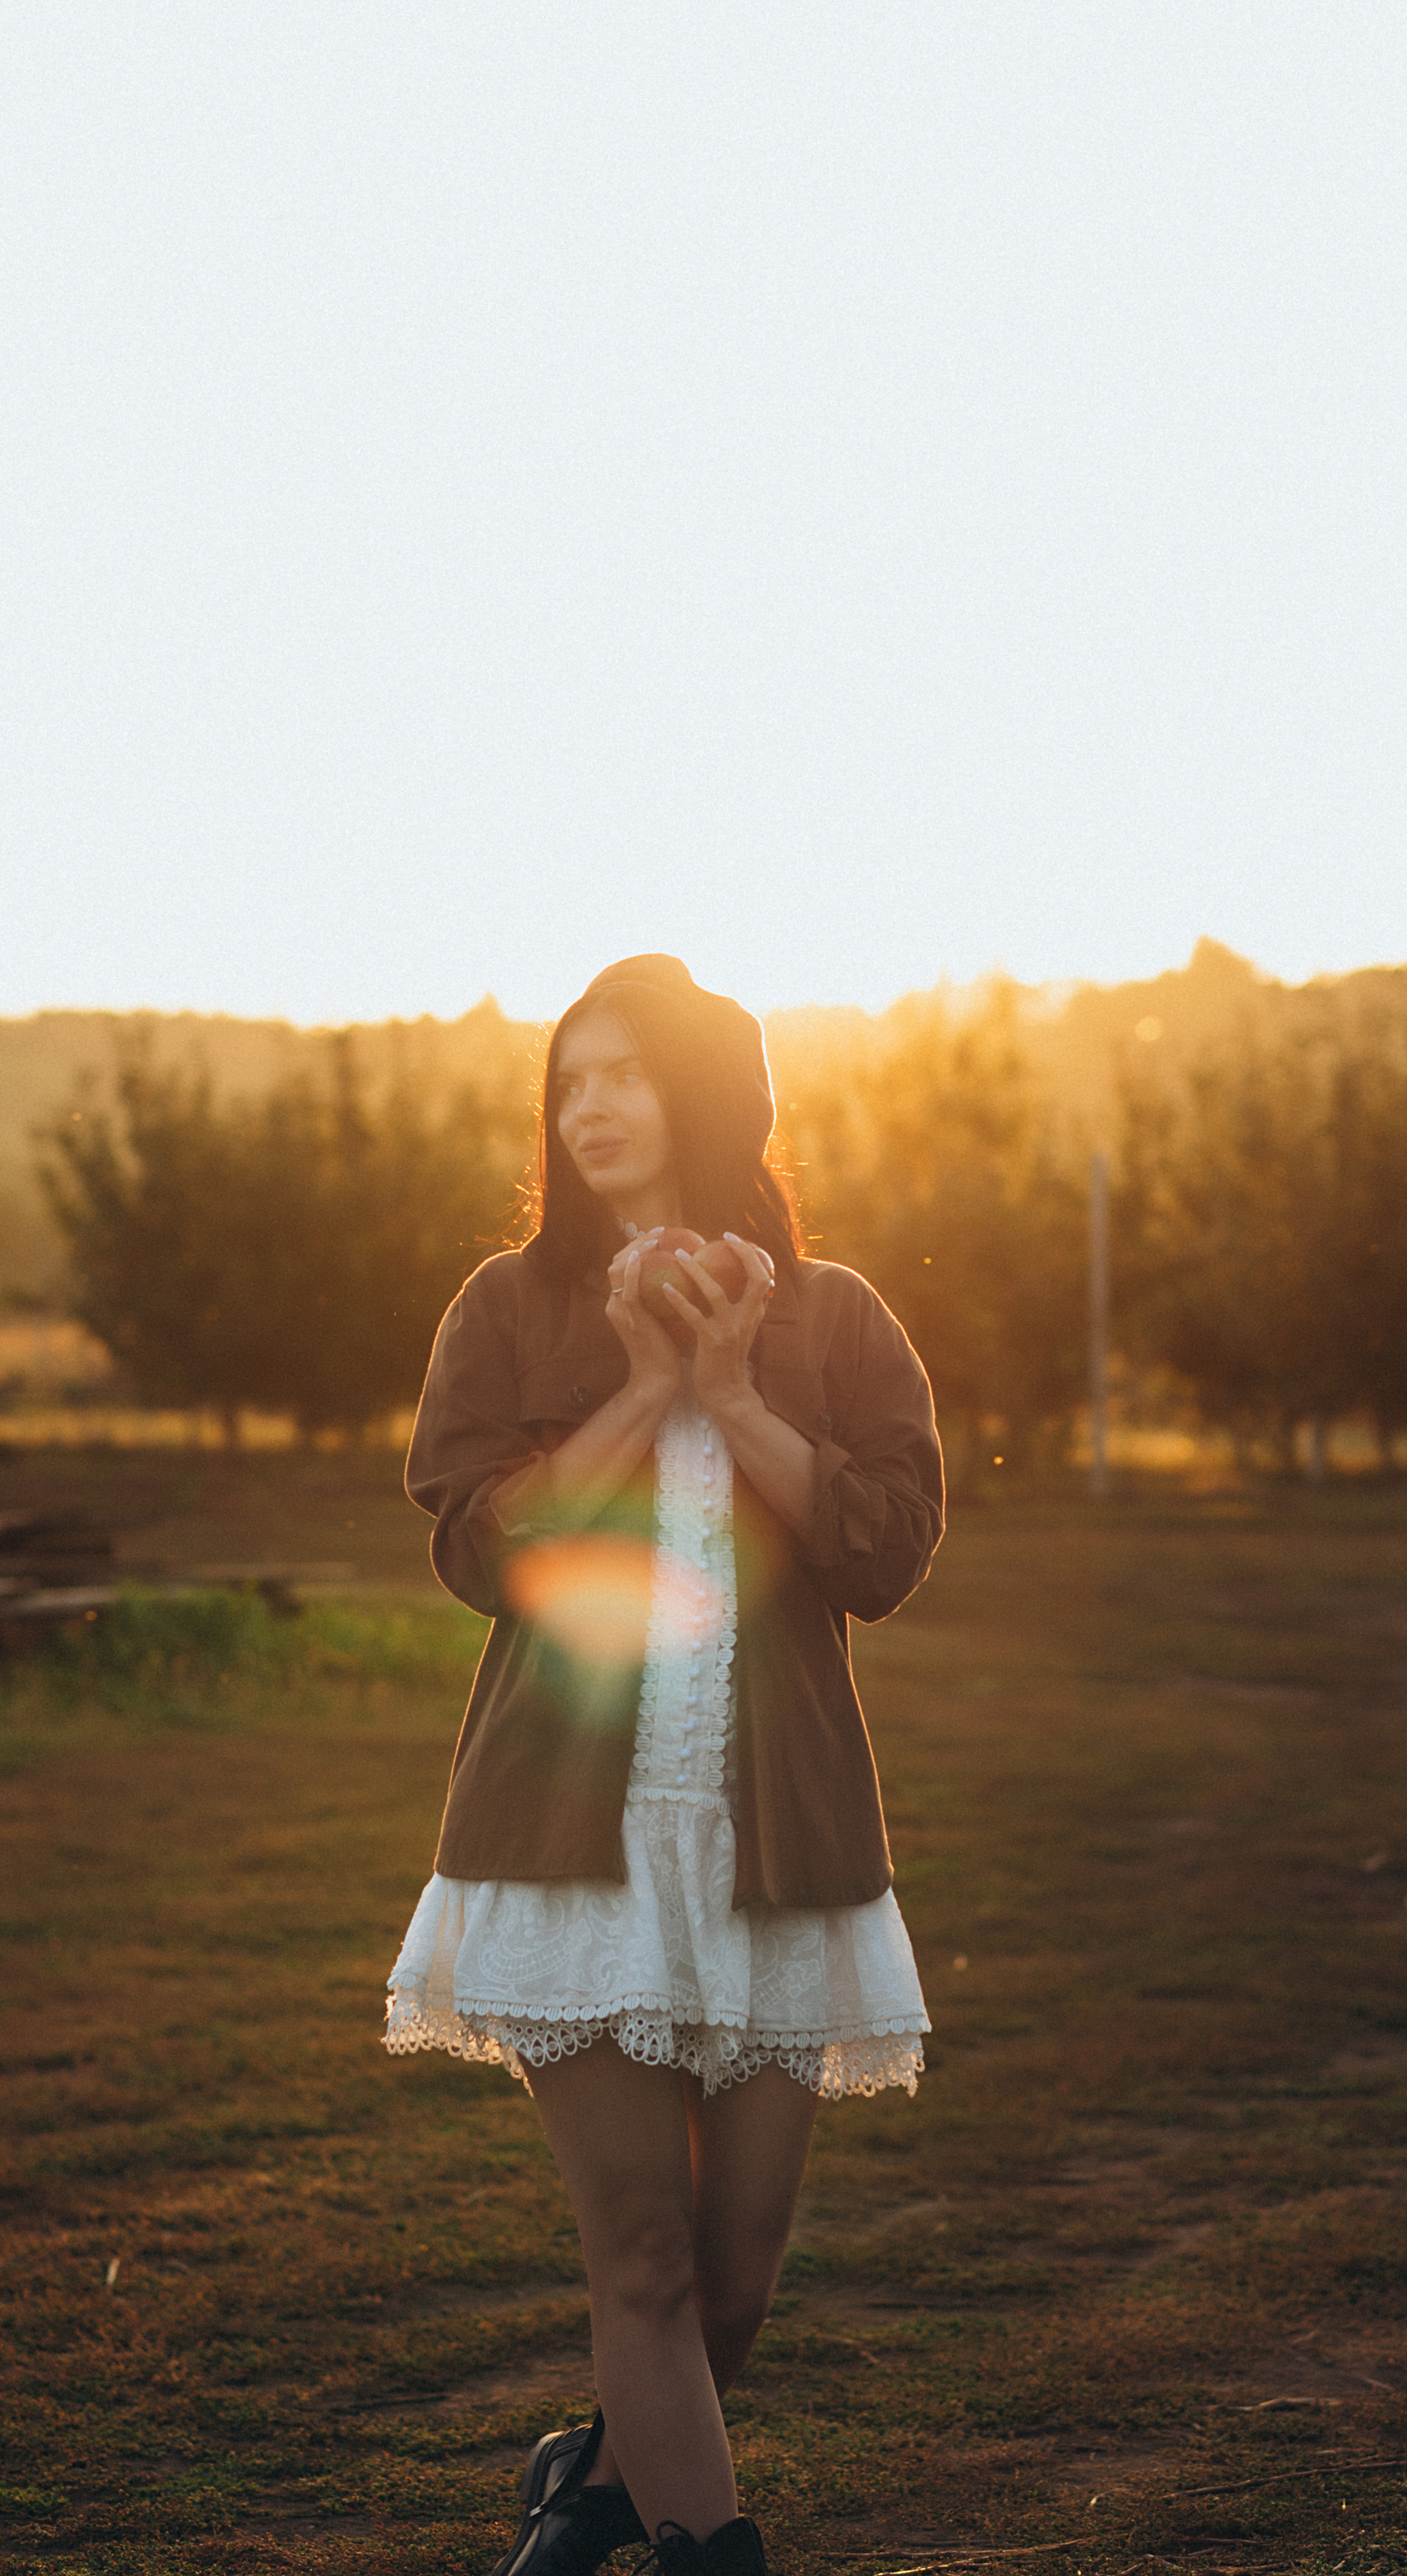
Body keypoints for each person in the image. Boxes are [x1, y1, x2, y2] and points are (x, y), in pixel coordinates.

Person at [385, 956, 944, 2576]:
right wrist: (640, 1392)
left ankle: (590, 2483)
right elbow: (485, 1546)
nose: (587, 1108)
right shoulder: (507, 1308)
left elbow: (884, 1549)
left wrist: (728, 1394)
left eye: (621, 1074)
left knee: (726, 2287)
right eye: (568, 1083)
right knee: (633, 2252)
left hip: (778, 1844)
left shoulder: (835, 1319)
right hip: (569, 1842)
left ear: (707, 1094)